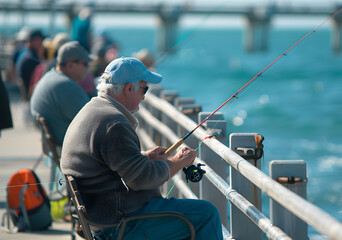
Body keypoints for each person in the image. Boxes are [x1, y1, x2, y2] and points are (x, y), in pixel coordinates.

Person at [60, 57, 223, 240]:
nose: (144, 96)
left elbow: (108, 162)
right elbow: (142, 179)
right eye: (144, 89)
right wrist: (179, 161)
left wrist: (146, 157)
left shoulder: (93, 109)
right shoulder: (114, 124)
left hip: (101, 218)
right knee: (207, 214)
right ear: (129, 88)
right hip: (122, 225)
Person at [30, 41, 91, 144]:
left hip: (57, 146)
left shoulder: (50, 76)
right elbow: (92, 120)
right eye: (85, 63)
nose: (88, 67)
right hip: (70, 149)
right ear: (70, 65)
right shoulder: (65, 85)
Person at [15, 29, 45, 101]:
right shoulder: (31, 58)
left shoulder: (25, 52)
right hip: (29, 99)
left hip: (24, 97)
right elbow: (33, 84)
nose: (42, 43)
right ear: (35, 40)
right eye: (40, 40)